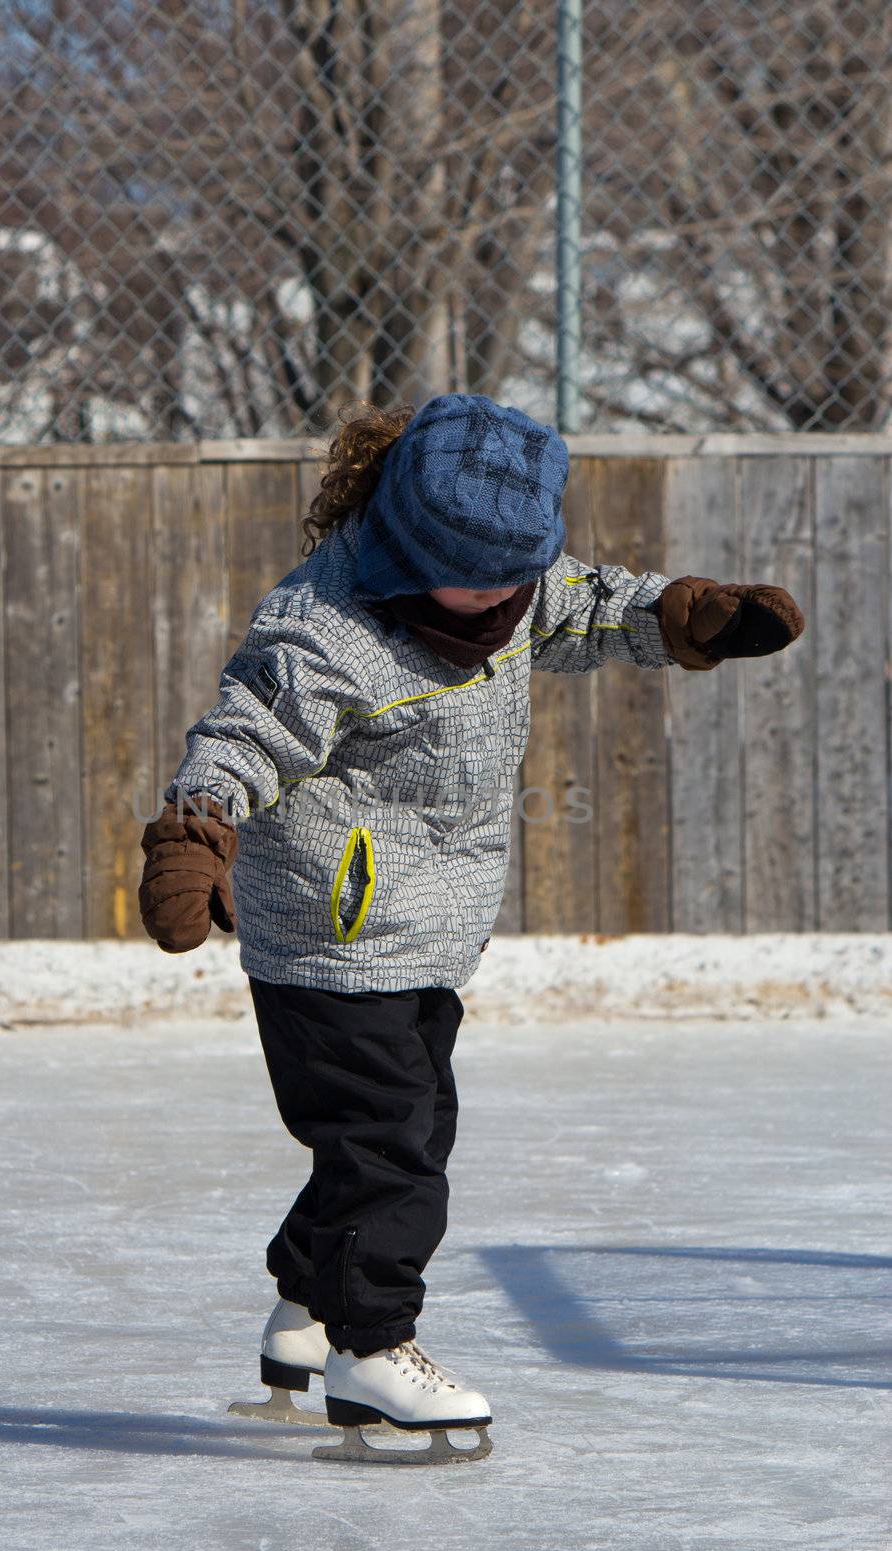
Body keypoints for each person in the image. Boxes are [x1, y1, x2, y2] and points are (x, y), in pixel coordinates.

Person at [138, 393, 804, 1465]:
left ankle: (308, 1309)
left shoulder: (512, 590)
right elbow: (242, 735)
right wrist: (192, 834)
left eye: (517, 570)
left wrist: (688, 617)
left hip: (430, 934)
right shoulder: (325, 632)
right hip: (327, 939)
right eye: (481, 574)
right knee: (390, 1148)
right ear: (408, 544)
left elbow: (590, 606)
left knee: (396, 1133)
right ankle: (370, 1346)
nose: (505, 595)